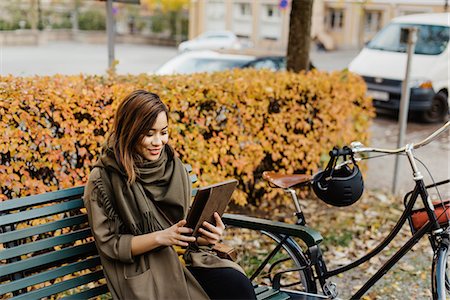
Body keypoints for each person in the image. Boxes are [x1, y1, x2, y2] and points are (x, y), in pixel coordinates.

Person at [83, 90, 256, 300]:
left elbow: (182, 231)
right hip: (147, 269)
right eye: (149, 134)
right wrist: (161, 237)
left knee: (237, 285)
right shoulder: (104, 179)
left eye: (163, 132)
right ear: (129, 131)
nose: (158, 141)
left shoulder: (173, 166)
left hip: (186, 259)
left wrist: (205, 237)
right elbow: (110, 245)